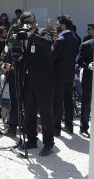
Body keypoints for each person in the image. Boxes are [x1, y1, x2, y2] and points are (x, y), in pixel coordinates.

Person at [16, 12, 55, 155]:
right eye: (28, 22)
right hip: (29, 80)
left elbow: (48, 44)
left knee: (46, 113)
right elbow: (24, 56)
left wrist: (32, 35)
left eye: (33, 22)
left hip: (44, 80)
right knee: (30, 112)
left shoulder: (44, 32)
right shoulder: (22, 36)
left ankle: (49, 144)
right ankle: (32, 140)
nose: (31, 25)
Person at [52, 15, 80, 135]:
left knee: (57, 102)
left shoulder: (61, 40)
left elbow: (52, 57)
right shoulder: (75, 39)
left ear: (63, 25)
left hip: (58, 76)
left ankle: (56, 129)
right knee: (68, 101)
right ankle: (69, 126)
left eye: (57, 24)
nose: (56, 26)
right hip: (69, 75)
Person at [76, 35, 94, 138]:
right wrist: (88, 65)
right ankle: (84, 128)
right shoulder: (87, 44)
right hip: (89, 77)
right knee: (86, 104)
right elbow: (79, 61)